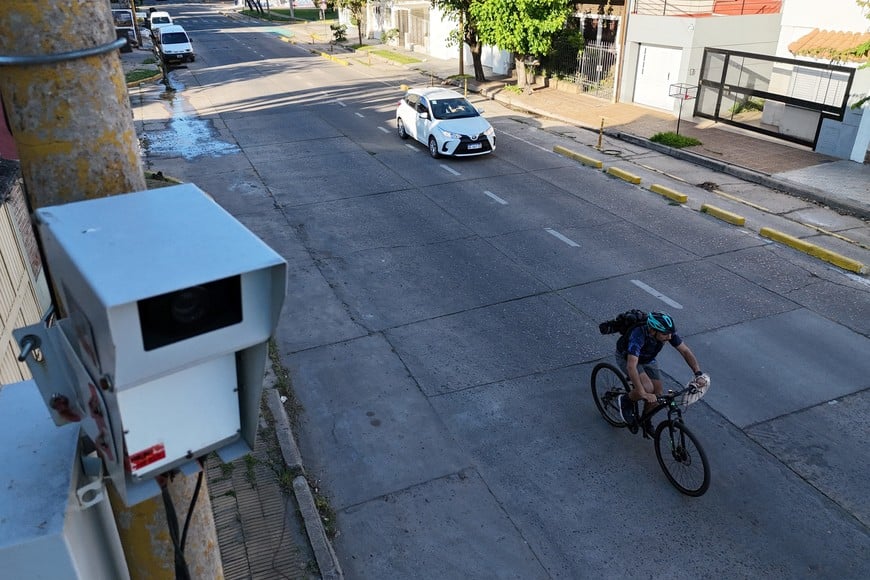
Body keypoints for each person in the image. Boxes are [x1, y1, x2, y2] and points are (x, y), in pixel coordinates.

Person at [615, 311, 707, 437]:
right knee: (647, 388)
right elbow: (631, 366)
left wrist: (698, 374)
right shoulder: (638, 335)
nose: (669, 337)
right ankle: (625, 400)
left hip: (648, 359)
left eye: (670, 333)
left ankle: (645, 420)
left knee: (657, 394)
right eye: (665, 334)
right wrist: (642, 393)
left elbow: (685, 351)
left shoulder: (667, 333)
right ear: (652, 330)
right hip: (628, 358)